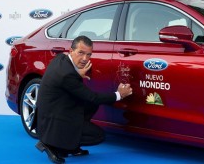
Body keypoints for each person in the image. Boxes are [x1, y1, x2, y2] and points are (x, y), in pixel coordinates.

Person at [35, 35, 132, 163]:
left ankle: (70, 144)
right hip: (53, 121)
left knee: (91, 104)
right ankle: (52, 144)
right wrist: (119, 94)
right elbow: (92, 97)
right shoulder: (67, 75)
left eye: (89, 54)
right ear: (71, 51)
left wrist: (76, 73)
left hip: (52, 112)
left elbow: (75, 87)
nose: (85, 59)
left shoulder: (61, 58)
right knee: (98, 135)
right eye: (81, 53)